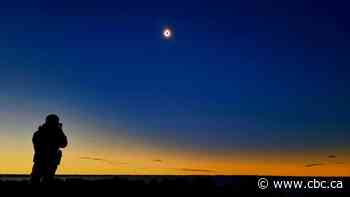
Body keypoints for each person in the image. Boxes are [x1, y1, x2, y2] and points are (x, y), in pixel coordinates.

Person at [30, 114, 68, 184]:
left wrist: (59, 131)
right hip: (45, 160)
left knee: (39, 179)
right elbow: (64, 144)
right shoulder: (43, 133)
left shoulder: (39, 133)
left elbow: (64, 144)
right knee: (39, 179)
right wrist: (59, 130)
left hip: (46, 160)